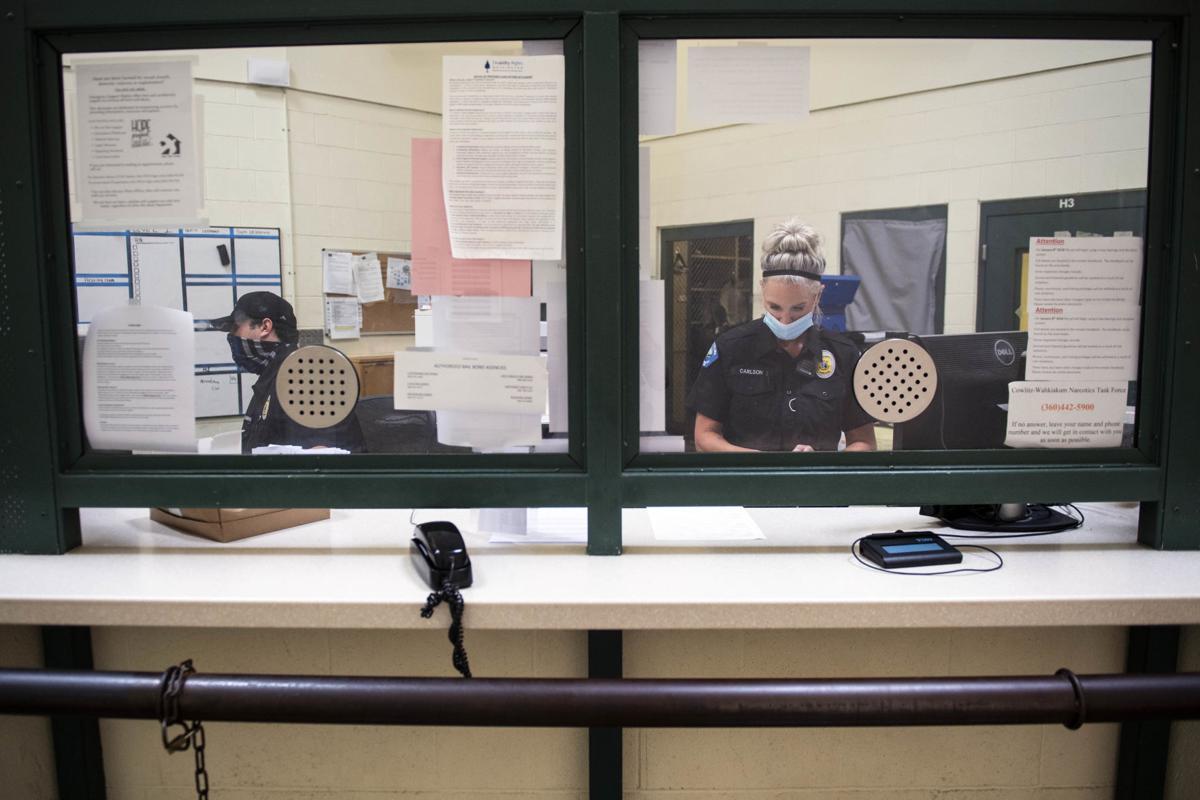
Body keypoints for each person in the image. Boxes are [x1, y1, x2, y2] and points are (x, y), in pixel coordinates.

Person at [687, 219, 877, 453]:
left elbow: (864, 442)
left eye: (798, 309)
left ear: (817, 296)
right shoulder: (730, 349)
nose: (785, 321)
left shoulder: (843, 354)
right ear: (762, 289)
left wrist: (824, 463)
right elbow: (704, 437)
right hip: (748, 486)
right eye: (774, 307)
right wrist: (761, 464)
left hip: (817, 486)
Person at [213, 291, 365, 454]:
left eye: (236, 328)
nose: (232, 336)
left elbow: (321, 455)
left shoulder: (304, 376)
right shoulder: (274, 374)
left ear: (265, 327)